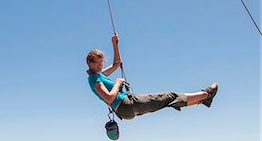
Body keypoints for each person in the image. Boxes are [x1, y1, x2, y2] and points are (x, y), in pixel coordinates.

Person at [86, 35, 218, 120]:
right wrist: (117, 82)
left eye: (101, 62)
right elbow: (109, 97)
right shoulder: (94, 79)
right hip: (126, 105)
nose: (100, 65)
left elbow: (116, 64)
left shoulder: (99, 75)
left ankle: (202, 100)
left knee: (165, 101)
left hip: (125, 109)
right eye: (96, 63)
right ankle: (206, 94)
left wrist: (115, 44)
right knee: (168, 96)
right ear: (89, 63)